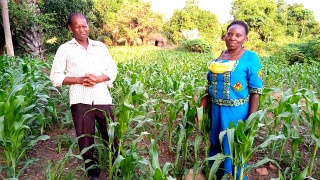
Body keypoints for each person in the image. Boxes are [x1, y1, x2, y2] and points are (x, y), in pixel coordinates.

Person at [50, 12, 118, 180]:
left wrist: (98, 78)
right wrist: (80, 80)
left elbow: (112, 69)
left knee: (111, 134)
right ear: (70, 28)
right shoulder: (64, 49)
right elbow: (55, 77)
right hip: (80, 100)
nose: (82, 30)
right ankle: (92, 173)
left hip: (102, 97)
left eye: (84, 26)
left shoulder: (99, 47)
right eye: (77, 27)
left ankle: (117, 167)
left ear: (88, 26)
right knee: (85, 139)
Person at [196, 20, 263, 179]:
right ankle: (215, 174)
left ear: (245, 39)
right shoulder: (219, 57)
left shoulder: (250, 58)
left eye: (238, 35)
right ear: (225, 36)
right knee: (215, 142)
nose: (233, 38)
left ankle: (232, 176)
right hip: (216, 110)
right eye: (230, 34)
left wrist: (251, 118)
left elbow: (255, 90)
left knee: (231, 146)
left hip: (236, 113)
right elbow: (210, 86)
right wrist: (201, 110)